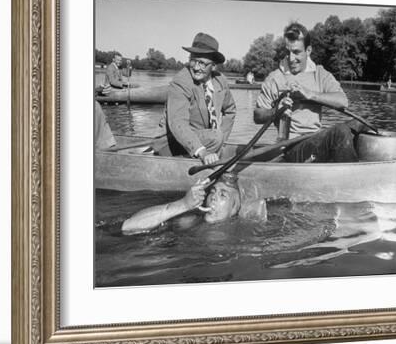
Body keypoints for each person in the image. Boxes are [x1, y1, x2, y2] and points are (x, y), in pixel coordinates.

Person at [254, 22, 361, 163]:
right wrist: (275, 111)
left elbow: (342, 101)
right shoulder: (275, 78)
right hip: (291, 148)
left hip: (315, 140)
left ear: (308, 51)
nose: (291, 58)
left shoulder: (320, 74)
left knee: (358, 124)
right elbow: (257, 116)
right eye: (288, 52)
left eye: (296, 52)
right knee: (340, 131)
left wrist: (310, 94)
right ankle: (353, 179)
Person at [153, 33, 236, 165]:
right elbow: (178, 123)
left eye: (202, 63)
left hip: (205, 140)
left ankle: (205, 159)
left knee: (217, 137)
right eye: (193, 60)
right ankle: (187, 164)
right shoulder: (181, 82)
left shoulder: (220, 81)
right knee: (215, 137)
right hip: (170, 142)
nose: (196, 67)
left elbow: (230, 111)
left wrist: (222, 142)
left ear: (213, 66)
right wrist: (202, 151)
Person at [121, 173, 266, 235]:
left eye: (223, 195)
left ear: (235, 208)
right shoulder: (189, 221)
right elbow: (128, 227)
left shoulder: (241, 235)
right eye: (213, 191)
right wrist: (184, 204)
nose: (213, 197)